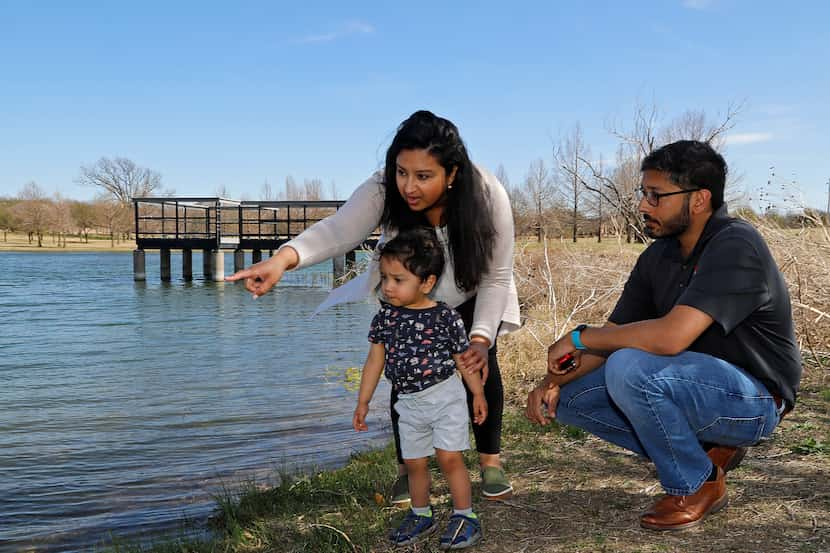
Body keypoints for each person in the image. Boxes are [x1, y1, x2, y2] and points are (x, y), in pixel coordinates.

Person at [226, 110, 520, 503]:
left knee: (481, 368)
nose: (408, 186)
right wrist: (283, 259)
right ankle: (407, 468)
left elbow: (497, 277)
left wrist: (482, 338)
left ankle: (490, 462)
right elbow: (339, 230)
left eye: (423, 176)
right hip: (408, 292)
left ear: (451, 173)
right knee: (405, 373)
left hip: (471, 294)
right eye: (402, 172)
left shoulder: (487, 195)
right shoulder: (383, 187)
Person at [526, 140, 802, 531]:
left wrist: (578, 338)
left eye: (656, 196)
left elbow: (670, 338)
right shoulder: (658, 256)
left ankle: (696, 483)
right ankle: (703, 452)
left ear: (700, 199)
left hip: (755, 399)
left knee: (630, 367)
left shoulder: (736, 245)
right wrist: (551, 382)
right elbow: (618, 333)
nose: (643, 205)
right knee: (569, 399)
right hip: (690, 385)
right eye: (643, 193)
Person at [353, 228, 486, 548]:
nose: (387, 286)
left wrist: (478, 394)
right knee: (414, 461)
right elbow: (374, 362)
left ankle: (465, 515)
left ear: (426, 282)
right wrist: (363, 401)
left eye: (398, 280)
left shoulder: (445, 317)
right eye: (384, 278)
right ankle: (420, 512)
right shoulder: (385, 318)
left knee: (448, 457)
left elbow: (463, 359)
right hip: (408, 402)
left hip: (444, 397)